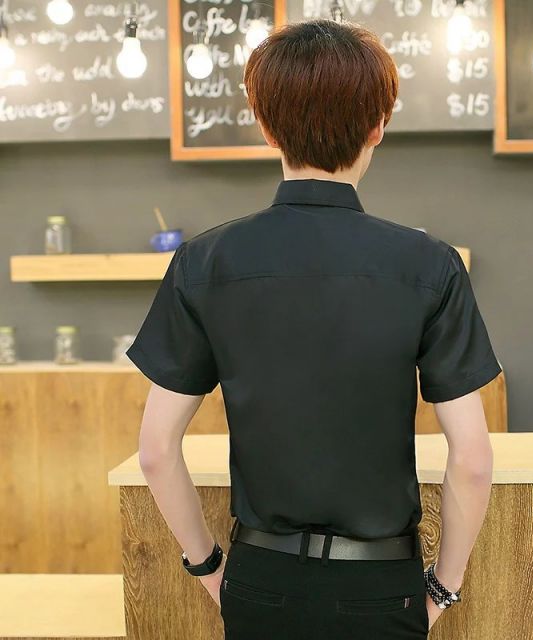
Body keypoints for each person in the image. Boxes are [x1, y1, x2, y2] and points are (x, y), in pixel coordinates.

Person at [125, 17, 502, 640]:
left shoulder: (204, 262)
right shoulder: (430, 265)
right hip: (381, 588)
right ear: (378, 126)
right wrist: (444, 586)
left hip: (260, 580)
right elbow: (473, 460)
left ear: (265, 126)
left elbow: (156, 451)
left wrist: (209, 568)